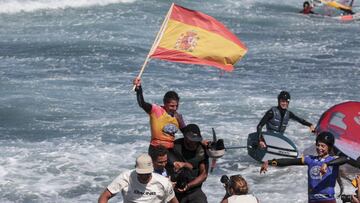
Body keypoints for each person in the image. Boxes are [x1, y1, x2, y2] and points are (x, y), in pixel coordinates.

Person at [260, 132, 340, 203]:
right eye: (318, 145)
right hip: (312, 199)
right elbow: (290, 161)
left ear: (329, 147)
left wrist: (327, 164)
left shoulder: (333, 160)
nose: (319, 148)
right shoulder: (310, 159)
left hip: (327, 200)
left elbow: (346, 159)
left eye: (323, 146)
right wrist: (269, 162)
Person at [133, 77, 186, 153]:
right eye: (171, 106)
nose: (174, 108)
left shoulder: (178, 116)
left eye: (176, 106)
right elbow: (142, 103)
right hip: (156, 147)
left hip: (170, 149)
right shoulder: (156, 110)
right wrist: (138, 88)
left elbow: (186, 132)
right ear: (165, 103)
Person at [98, 154, 178, 203]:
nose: (144, 176)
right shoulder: (126, 177)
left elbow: (173, 201)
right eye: (141, 173)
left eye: (147, 173)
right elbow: (104, 196)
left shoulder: (163, 182)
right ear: (135, 168)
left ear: (152, 169)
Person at [167, 124, 209, 203]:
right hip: (174, 189)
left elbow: (204, 175)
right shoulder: (175, 146)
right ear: (185, 137)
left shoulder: (202, 149)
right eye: (191, 140)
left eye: (196, 140)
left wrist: (188, 186)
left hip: (194, 190)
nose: (193, 142)